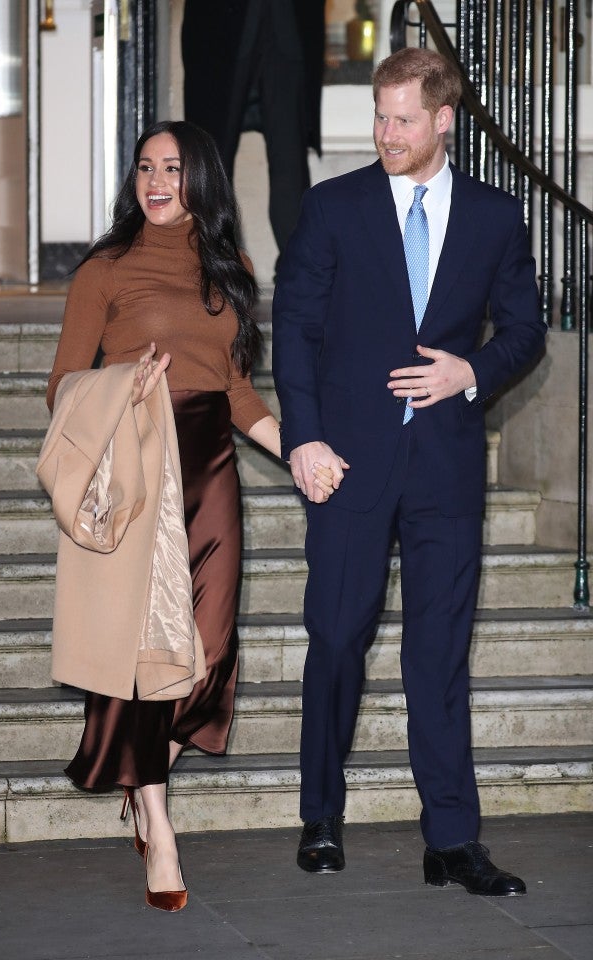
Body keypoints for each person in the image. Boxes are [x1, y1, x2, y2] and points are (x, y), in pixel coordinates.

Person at [272, 47, 546, 895]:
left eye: (401, 119)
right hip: (348, 464)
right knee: (338, 638)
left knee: (438, 654)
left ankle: (453, 841)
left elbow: (526, 332)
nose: (384, 133)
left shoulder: (498, 218)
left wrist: (470, 371)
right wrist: (303, 440)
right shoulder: (332, 209)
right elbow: (294, 331)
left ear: (443, 122)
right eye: (379, 117)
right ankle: (321, 814)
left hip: (445, 471)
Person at [45, 120, 335, 912]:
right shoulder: (103, 270)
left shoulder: (231, 270)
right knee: (140, 651)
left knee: (207, 646)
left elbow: (238, 392)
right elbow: (62, 384)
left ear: (201, 179)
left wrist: (297, 451)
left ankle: (141, 777)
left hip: (209, 466)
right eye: (145, 167)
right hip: (136, 462)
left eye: (172, 167)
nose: (155, 180)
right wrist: (122, 386)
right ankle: (159, 825)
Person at [181, 0, 325, 271]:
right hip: (219, 25)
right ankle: (217, 265)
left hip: (287, 21)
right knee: (213, 156)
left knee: (288, 157)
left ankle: (300, 269)